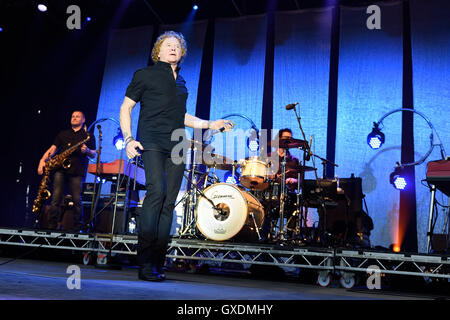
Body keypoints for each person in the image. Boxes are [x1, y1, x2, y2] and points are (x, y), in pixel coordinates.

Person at [119, 31, 234, 282]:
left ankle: (158, 262)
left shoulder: (182, 83)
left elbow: (182, 116)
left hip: (178, 144)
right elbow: (126, 107)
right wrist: (128, 139)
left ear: (181, 54)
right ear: (158, 52)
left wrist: (210, 123)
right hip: (151, 140)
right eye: (167, 45)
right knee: (156, 192)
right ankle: (145, 261)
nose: (172, 48)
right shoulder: (144, 74)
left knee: (169, 201)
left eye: (177, 46)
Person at [37, 110, 96, 231]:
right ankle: (52, 227)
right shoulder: (63, 134)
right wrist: (42, 160)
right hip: (60, 170)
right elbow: (53, 149)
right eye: (72, 116)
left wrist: (88, 151)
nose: (74, 118)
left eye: (77, 116)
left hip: (76, 172)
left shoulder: (88, 135)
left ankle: (77, 228)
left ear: (83, 120)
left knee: (76, 200)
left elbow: (94, 154)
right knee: (55, 199)